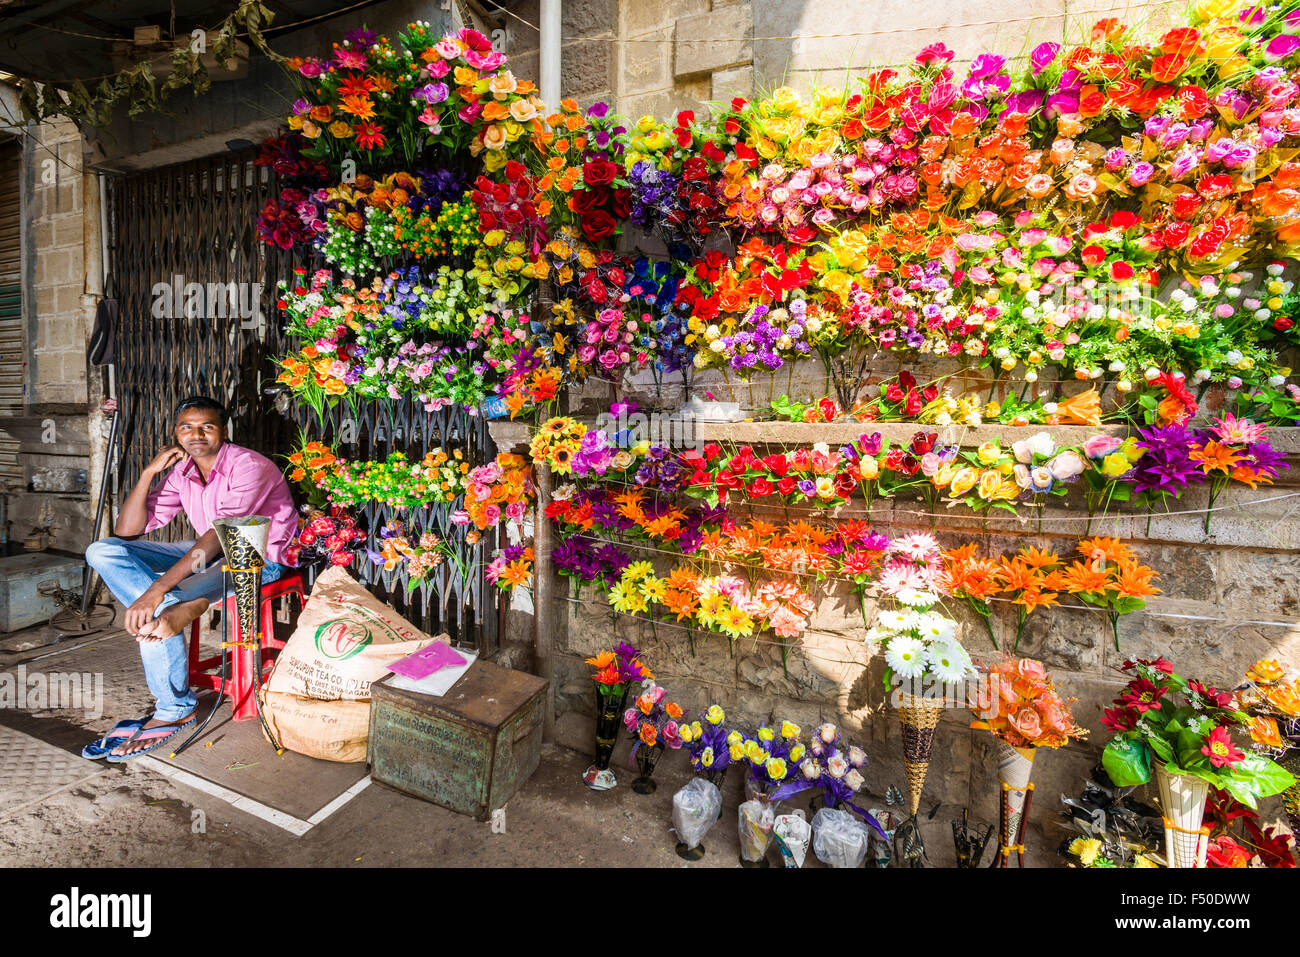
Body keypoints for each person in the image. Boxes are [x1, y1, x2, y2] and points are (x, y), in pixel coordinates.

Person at [84, 395, 297, 760]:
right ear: (176, 432)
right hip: (207, 557)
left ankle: (174, 708)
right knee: (101, 551)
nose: (195, 434)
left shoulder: (248, 466)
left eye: (206, 426)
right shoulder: (182, 472)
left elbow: (220, 536)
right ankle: (170, 609)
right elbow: (127, 531)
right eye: (186, 427)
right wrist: (151, 472)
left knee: (159, 605)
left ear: (223, 430)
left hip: (258, 558)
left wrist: (157, 588)